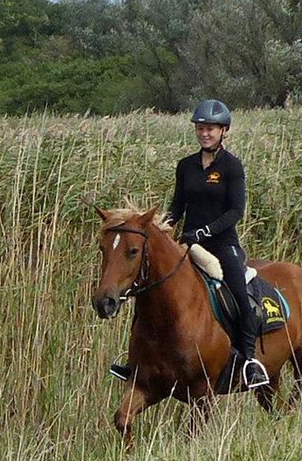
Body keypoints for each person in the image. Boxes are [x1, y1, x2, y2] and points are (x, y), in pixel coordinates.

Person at [110, 99, 268, 389]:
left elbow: (236, 211)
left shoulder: (232, 167)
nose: (204, 133)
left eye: (210, 128)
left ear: (224, 131)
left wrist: (206, 230)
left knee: (241, 297)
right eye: (200, 128)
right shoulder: (186, 166)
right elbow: (177, 206)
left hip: (222, 246)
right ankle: (134, 361)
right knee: (148, 291)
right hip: (189, 244)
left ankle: (248, 362)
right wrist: (162, 228)